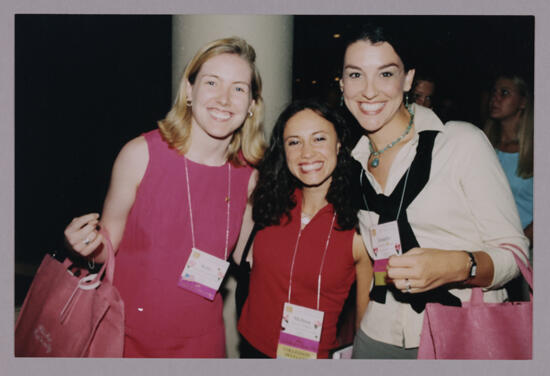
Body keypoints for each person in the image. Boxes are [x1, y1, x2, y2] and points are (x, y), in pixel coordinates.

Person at [63, 37, 266, 358]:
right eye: (211, 82)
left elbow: (250, 257)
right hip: (124, 335)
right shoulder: (140, 154)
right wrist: (86, 245)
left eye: (239, 88)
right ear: (189, 90)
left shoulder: (250, 175)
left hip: (202, 344)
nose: (225, 99)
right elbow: (108, 245)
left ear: (253, 104)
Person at [337, 24, 530, 359]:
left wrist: (457, 266)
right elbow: (377, 259)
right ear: (341, 84)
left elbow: (515, 256)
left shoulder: (459, 143)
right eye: (355, 75)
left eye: (385, 73)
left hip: (458, 333)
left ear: (408, 79)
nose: (368, 91)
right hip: (376, 333)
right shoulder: (352, 163)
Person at [235, 100, 371, 359]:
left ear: (339, 143)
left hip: (311, 358)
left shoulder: (360, 226)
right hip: (252, 349)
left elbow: (364, 323)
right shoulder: (269, 205)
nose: (306, 153)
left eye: (319, 139)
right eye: (294, 142)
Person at [484, 74, 533, 249]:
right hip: (484, 246)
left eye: (504, 93)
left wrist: (518, 246)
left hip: (524, 252)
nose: (495, 98)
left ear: (523, 102)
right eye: (494, 92)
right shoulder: (484, 145)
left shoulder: (536, 151)